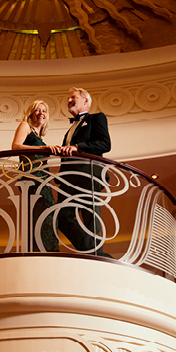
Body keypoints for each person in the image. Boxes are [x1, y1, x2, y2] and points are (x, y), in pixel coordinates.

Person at [56, 87, 112, 257]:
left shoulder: (96, 118)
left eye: (73, 97)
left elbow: (105, 144)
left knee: (90, 216)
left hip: (89, 173)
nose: (69, 100)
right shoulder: (70, 129)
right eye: (68, 98)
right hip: (68, 179)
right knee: (61, 217)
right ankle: (94, 251)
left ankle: (95, 255)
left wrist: (77, 147)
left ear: (86, 101)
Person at [11, 100, 61, 252]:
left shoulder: (39, 134)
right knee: (42, 212)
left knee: (48, 213)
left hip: (42, 178)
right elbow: (15, 146)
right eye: (37, 110)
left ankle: (48, 250)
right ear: (31, 113)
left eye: (44, 111)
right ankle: (40, 250)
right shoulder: (26, 126)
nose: (41, 113)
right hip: (32, 178)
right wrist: (44, 147)